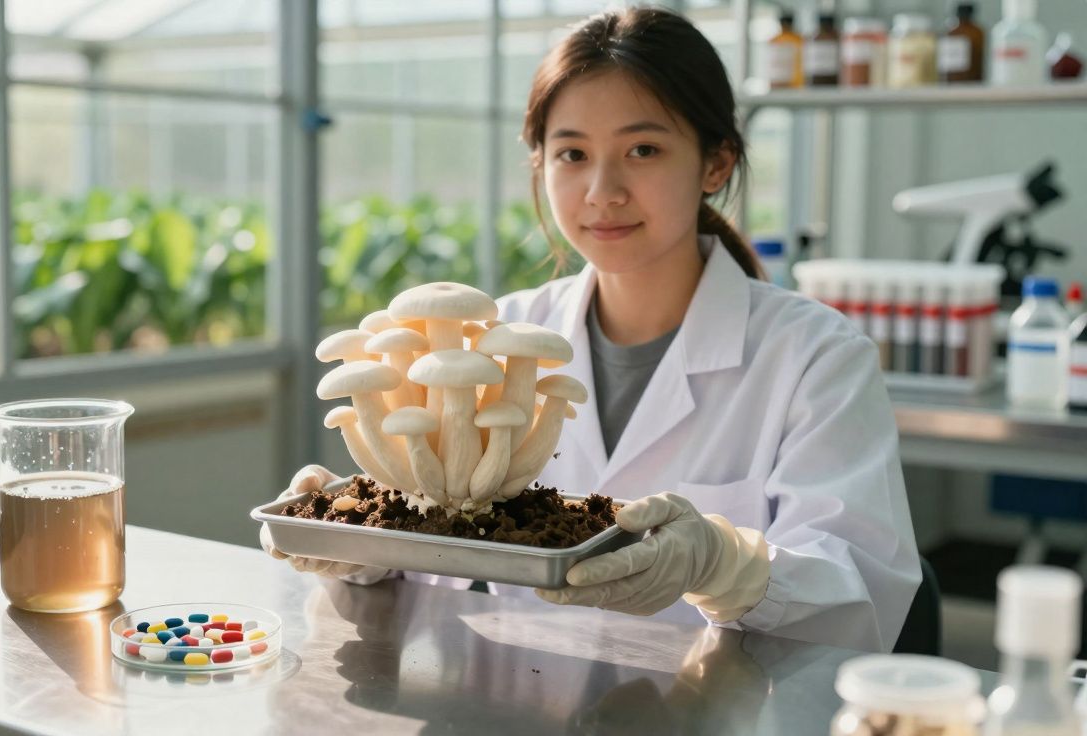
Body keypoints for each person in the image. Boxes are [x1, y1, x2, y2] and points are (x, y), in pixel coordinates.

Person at [263, 7, 920, 652]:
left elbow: (859, 598)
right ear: (540, 164)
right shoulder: (498, 332)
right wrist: (354, 542)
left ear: (716, 165)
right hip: (521, 702)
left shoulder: (815, 359)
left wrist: (725, 566)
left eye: (643, 149)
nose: (602, 191)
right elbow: (437, 548)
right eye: (572, 153)